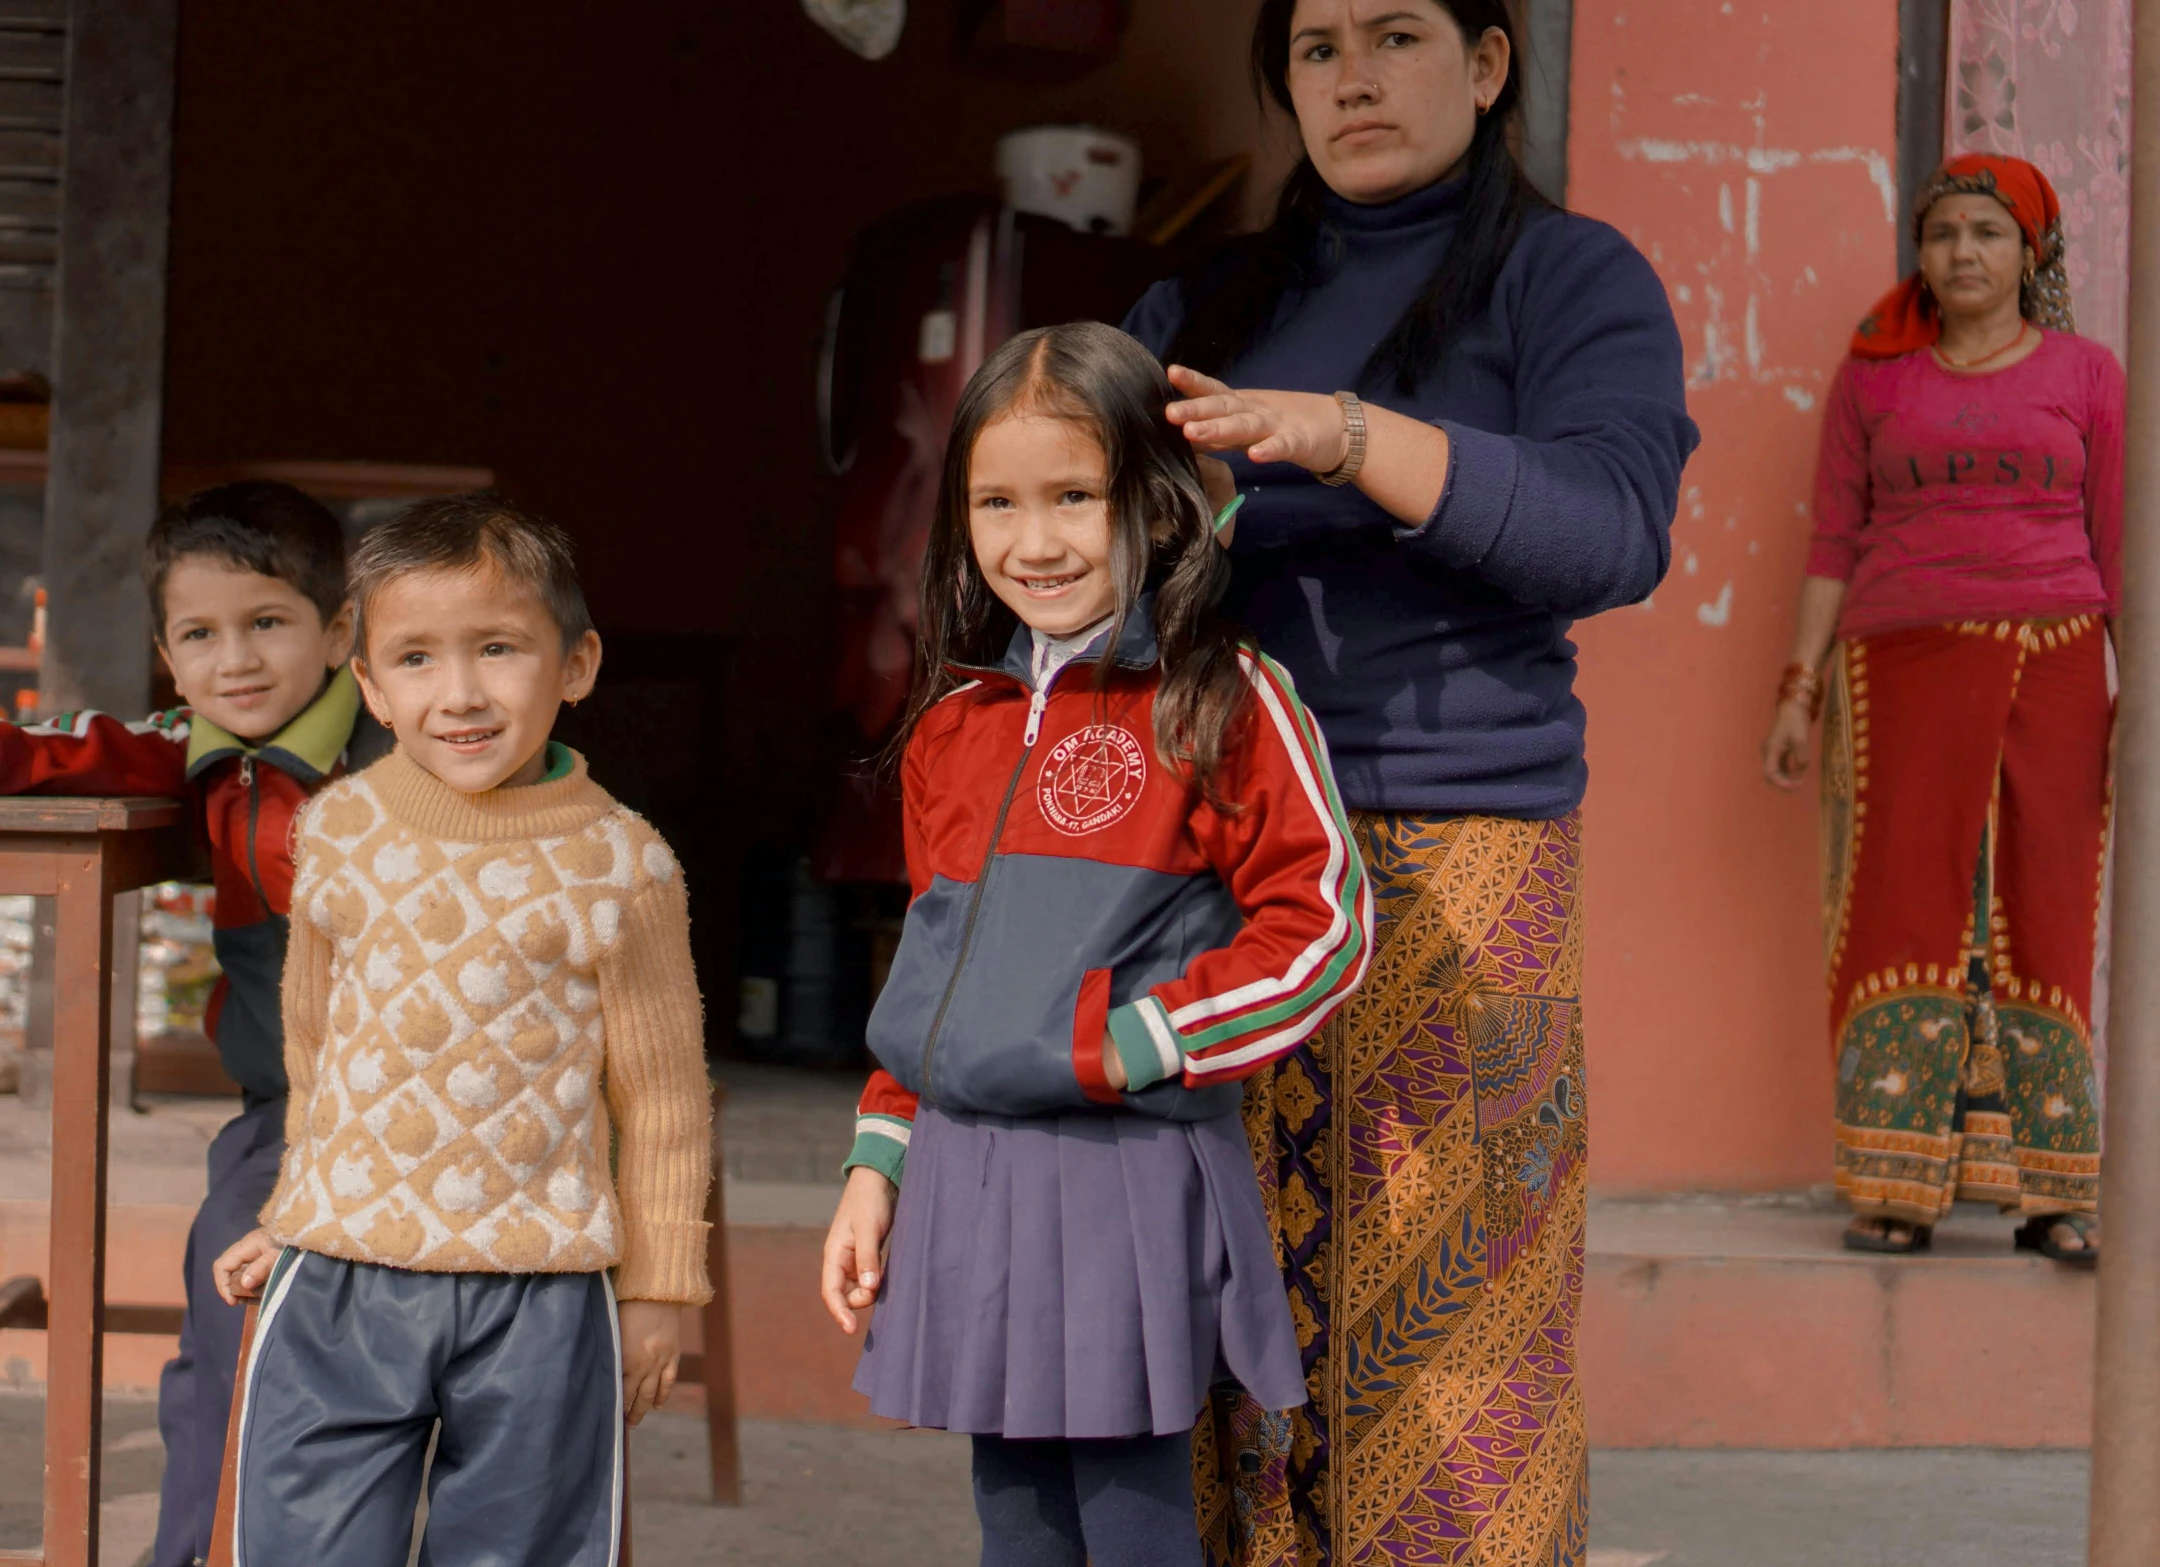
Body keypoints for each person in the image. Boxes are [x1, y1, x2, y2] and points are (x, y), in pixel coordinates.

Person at [1118, 0, 1698, 1557]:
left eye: (1394, 35)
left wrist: (1346, 437)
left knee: (1456, 1334)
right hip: (1214, 863)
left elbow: (1607, 528)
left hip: (1456, 857)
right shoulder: (1209, 297)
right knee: (1214, 1324)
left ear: (1488, 63)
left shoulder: (1567, 278)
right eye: (1316, 50)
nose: (1354, 77)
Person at [818, 320, 1372, 1567]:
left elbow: (1323, 928)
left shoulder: (1221, 698)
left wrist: (1135, 1042)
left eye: (1075, 495)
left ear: (1158, 505)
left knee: (1127, 1518)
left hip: (1117, 1172)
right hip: (965, 1169)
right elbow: (934, 969)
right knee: (1011, 1513)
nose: (1033, 540)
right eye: (996, 502)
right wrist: (877, 1163)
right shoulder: (953, 726)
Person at [0, 482, 382, 1567]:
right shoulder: (192, 747)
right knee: (220, 1334)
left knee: (394, 1351)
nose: (237, 659)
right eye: (200, 633)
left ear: (339, 629)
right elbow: (50, 744)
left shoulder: (400, 756)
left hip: (429, 1109)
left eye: (268, 622)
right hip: (288, 1116)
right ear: (167, 653)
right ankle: (193, 1554)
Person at [211, 494, 710, 1567]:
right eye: (418, 660)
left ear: (574, 664)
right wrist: (297, 1204)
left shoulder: (623, 863)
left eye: (497, 648)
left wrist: (660, 1287)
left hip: (540, 1292)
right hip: (340, 1275)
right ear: (372, 687)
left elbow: (662, 1096)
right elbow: (317, 1045)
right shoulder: (337, 829)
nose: (462, 693)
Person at [1762, 153, 2116, 1266]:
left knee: (2042, 909)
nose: (1962, 253)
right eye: (1943, 233)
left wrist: (2137, 694)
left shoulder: (2087, 375)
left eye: (1988, 233)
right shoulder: (1874, 377)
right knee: (1899, 909)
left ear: (2031, 253)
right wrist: (1796, 687)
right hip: (1895, 667)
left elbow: (2120, 546)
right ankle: (1894, 1185)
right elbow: (1831, 538)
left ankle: (2050, 1194)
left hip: (2053, 664)